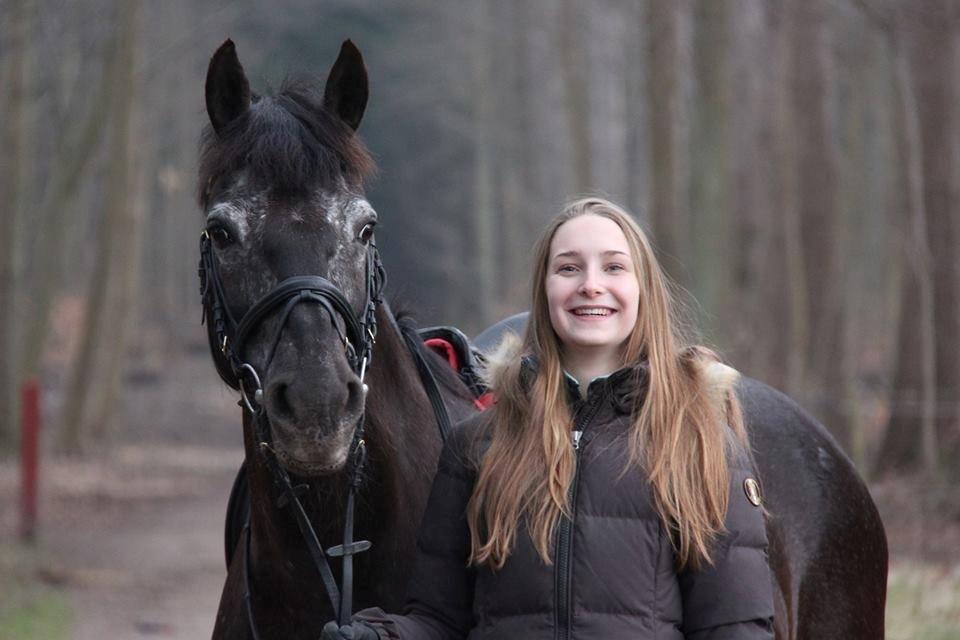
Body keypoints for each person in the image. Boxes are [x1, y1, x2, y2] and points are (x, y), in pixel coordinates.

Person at [323, 197, 775, 639]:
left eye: (614, 267)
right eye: (568, 268)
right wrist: (381, 635)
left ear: (644, 289)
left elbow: (733, 628)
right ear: (544, 290)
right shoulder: (476, 447)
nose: (591, 285)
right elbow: (439, 620)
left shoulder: (699, 443)